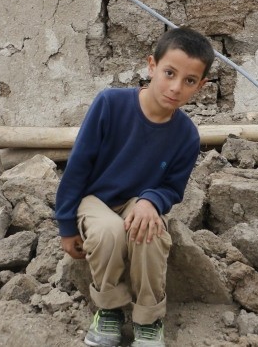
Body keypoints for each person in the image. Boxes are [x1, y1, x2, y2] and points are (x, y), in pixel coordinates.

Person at [54, 27, 214, 347]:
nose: (176, 87)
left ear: (201, 86)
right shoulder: (110, 104)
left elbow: (172, 188)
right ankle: (109, 310)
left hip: (139, 202)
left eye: (189, 80)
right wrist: (67, 226)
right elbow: (78, 166)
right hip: (95, 198)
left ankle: (149, 319)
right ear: (152, 66)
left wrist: (150, 201)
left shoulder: (186, 136)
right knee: (108, 232)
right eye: (169, 73)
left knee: (150, 233)